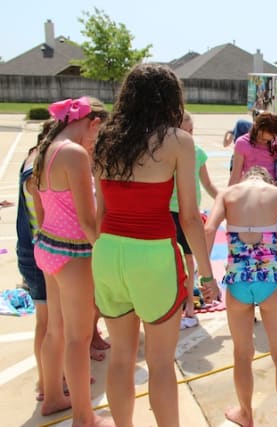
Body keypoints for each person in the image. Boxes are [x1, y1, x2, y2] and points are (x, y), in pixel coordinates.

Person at [92, 64, 217, 427]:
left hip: (109, 252)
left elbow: (101, 212)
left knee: (120, 360)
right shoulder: (178, 141)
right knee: (161, 364)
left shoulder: (104, 139)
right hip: (153, 253)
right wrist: (207, 276)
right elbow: (190, 218)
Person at [204, 166, 277, 427]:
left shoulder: (227, 194)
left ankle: (245, 414)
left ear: (247, 177)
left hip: (237, 282)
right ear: (267, 179)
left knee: (241, 355)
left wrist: (204, 277)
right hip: (269, 280)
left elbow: (209, 230)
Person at [32, 97, 111, 425]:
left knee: (56, 330)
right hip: (73, 252)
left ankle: (53, 397)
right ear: (92, 122)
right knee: (78, 338)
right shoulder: (74, 154)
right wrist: (106, 256)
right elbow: (88, 219)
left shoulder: (45, 150)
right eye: (99, 132)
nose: (97, 139)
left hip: (48, 246)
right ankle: (84, 416)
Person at [16, 120, 53, 403]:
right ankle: (46, 381)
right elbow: (44, 219)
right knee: (47, 322)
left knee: (50, 322)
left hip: (34, 253)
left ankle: (53, 376)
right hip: (38, 255)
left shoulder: (32, 158)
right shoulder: (38, 169)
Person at [170, 111, 218, 321]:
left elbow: (207, 184)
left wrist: (225, 201)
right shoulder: (168, 152)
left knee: (190, 260)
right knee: (171, 260)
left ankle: (189, 302)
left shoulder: (197, 152)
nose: (189, 134)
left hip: (190, 212)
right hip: (169, 211)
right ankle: (174, 302)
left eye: (191, 130)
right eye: (184, 130)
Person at [229, 111, 277, 186]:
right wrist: (227, 195)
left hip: (271, 191)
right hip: (250, 189)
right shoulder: (242, 143)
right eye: (261, 138)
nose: (263, 142)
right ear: (255, 126)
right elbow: (235, 175)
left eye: (267, 140)